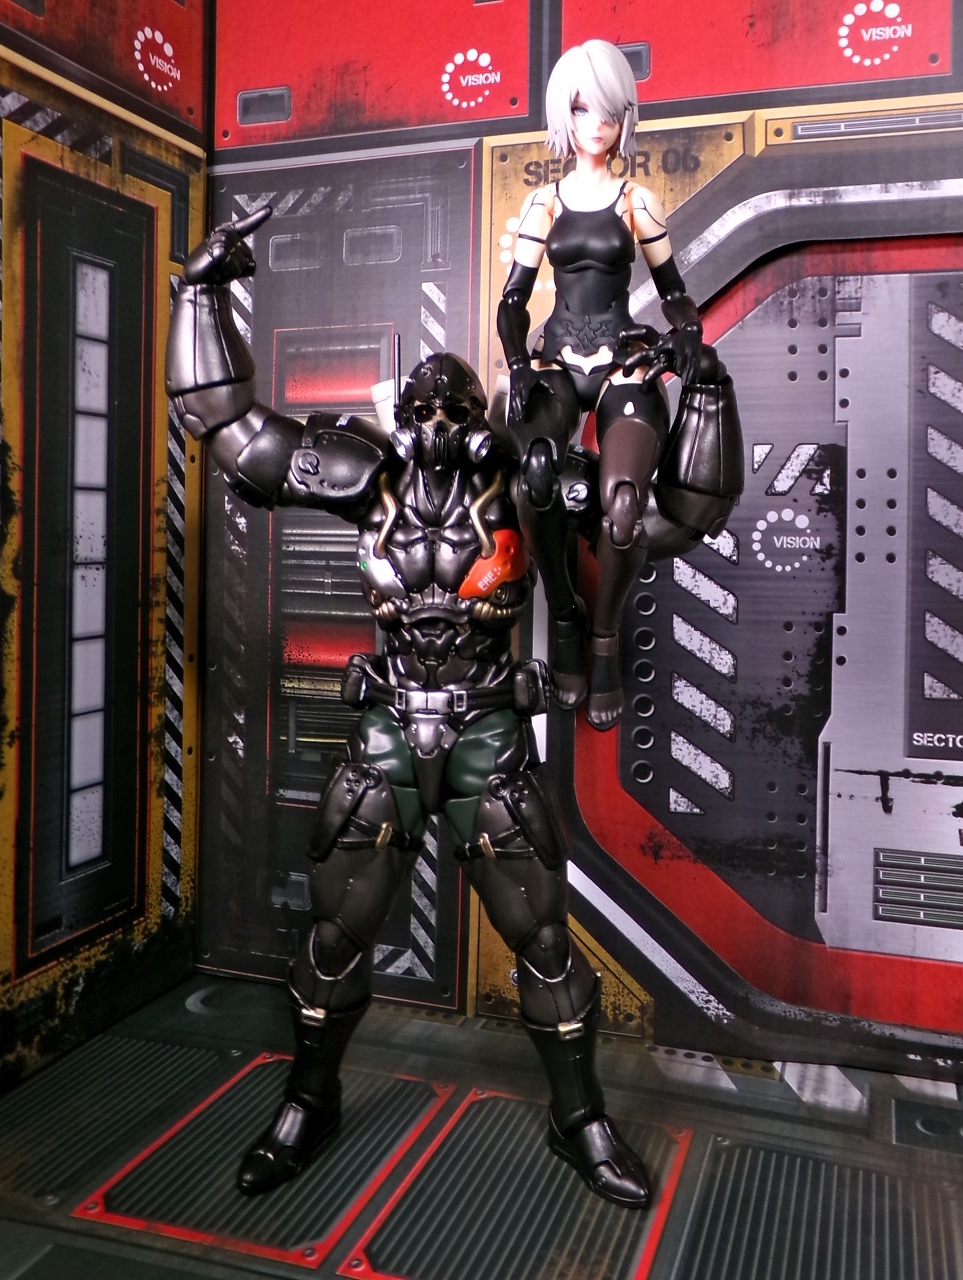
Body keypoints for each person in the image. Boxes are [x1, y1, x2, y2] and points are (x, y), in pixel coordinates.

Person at [165, 208, 652, 1209]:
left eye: (451, 407)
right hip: (388, 726)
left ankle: (579, 1117)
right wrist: (200, 290)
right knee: (334, 934)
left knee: (543, 942)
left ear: (479, 414)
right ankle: (309, 1100)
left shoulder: (521, 480)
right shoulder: (368, 476)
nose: (433, 422)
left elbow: (657, 506)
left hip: (484, 730)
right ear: (401, 413)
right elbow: (230, 431)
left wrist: (672, 390)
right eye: (420, 406)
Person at [498, 39, 738, 729]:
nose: (595, 125)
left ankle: (603, 640)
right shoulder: (542, 203)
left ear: (623, 117)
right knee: (534, 475)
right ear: (564, 116)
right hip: (553, 361)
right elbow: (514, 300)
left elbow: (673, 290)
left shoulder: (637, 200)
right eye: (582, 110)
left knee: (624, 503)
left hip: (623, 361)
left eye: (607, 112)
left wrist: (686, 331)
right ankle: (564, 616)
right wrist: (517, 362)